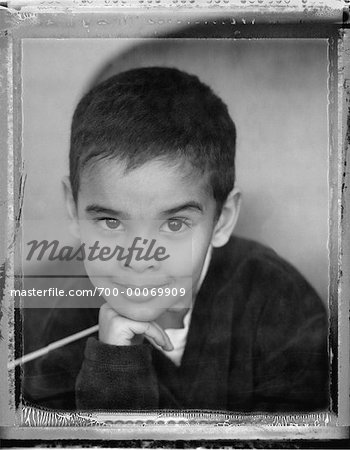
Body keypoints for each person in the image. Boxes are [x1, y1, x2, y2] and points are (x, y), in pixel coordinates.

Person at [22, 67, 329, 412]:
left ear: (222, 220)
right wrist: (115, 368)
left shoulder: (282, 306)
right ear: (72, 208)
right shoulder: (64, 320)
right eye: (110, 222)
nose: (138, 259)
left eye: (175, 225)